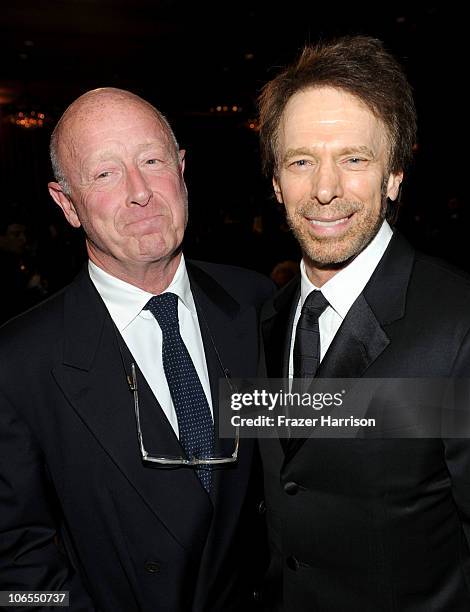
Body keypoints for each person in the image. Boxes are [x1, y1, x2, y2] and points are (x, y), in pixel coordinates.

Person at [0, 88, 273, 611]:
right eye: (105, 174)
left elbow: (323, 440)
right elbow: (15, 568)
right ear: (67, 204)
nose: (140, 191)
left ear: (182, 170)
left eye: (152, 160)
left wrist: (438, 408)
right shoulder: (19, 363)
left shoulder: (258, 303)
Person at [257, 36, 470, 611]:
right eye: (301, 161)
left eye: (355, 159)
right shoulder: (269, 319)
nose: (325, 190)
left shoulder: (457, 325)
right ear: (277, 182)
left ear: (394, 177)